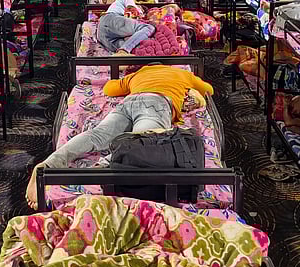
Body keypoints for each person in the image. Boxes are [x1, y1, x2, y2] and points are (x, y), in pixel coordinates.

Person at [25, 64, 214, 209]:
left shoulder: (137, 75)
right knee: (142, 142)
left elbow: (108, 89)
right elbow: (209, 90)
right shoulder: (183, 74)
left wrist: (131, 80)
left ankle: (48, 165)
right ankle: (101, 168)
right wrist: (190, 91)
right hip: (157, 104)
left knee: (96, 135)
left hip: (129, 102)